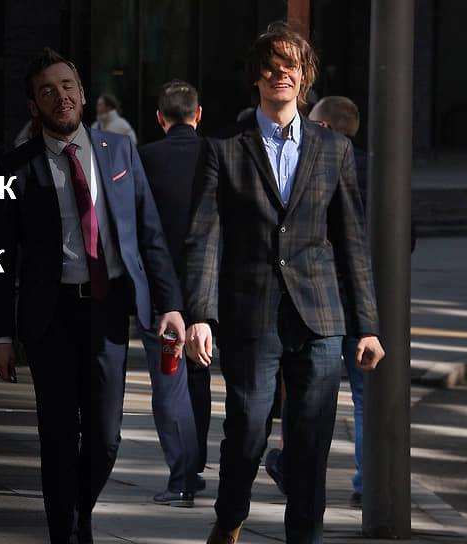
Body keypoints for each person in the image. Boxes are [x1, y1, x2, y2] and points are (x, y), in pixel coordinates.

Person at [182, 23, 385, 544]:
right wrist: (200, 316)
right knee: (248, 431)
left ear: (304, 75)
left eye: (290, 65)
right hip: (251, 315)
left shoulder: (333, 149)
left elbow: (352, 242)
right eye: (271, 66)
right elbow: (204, 238)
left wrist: (366, 325)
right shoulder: (224, 147)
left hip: (320, 318)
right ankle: (230, 518)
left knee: (311, 442)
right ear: (257, 76)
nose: (281, 74)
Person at [0, 48, 185, 544]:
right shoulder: (15, 168)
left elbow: (149, 233)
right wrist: (0, 335)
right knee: (58, 438)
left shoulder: (119, 150)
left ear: (82, 92)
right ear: (33, 105)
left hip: (107, 307)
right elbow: (1, 259)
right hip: (49, 316)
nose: (61, 96)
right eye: (47, 91)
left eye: (67, 85)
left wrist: (171, 305)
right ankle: (70, 535)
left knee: (105, 437)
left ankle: (77, 518)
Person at [263, 95, 368, 509]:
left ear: (322, 127)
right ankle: (366, 482)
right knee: (362, 397)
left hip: (318, 301)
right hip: (361, 303)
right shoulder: (380, 167)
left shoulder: (317, 162)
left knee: (303, 391)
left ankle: (294, 467)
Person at [137, 79, 207, 507]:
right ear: (198, 115)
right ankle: (194, 467)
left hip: (163, 295)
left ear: (160, 118)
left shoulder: (145, 158)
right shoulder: (216, 154)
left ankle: (182, 477)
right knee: (199, 374)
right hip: (209, 290)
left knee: (170, 380)